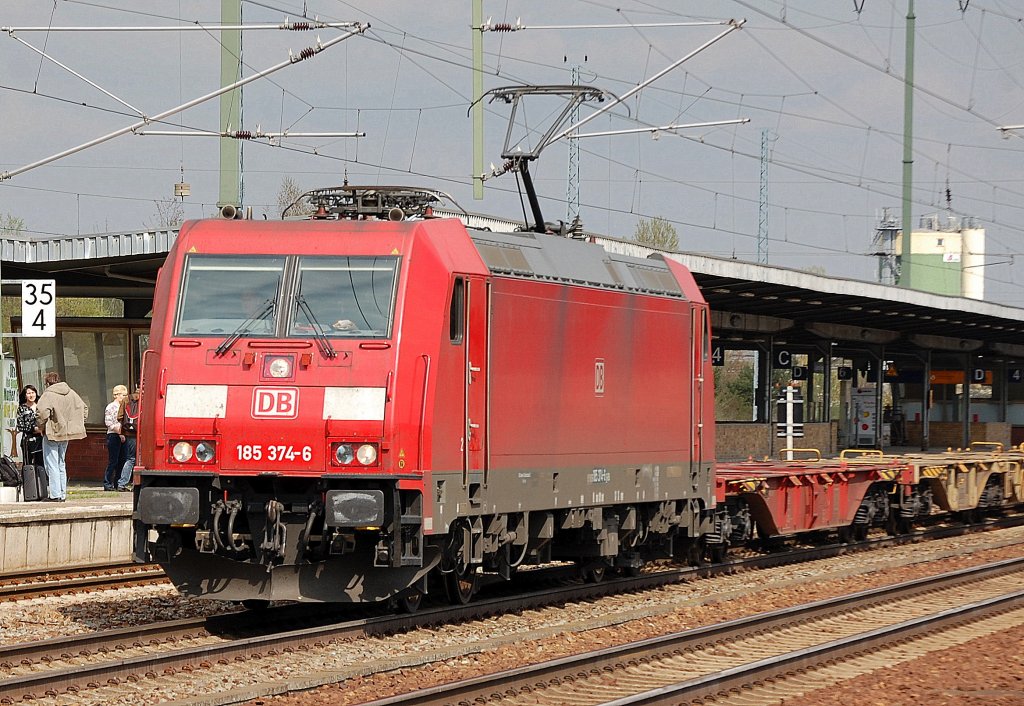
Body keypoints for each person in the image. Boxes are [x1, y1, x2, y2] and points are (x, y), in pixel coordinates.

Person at [35, 372, 88, 503]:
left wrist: (40, 427)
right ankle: (62, 493)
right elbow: (84, 409)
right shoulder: (71, 393)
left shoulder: (48, 394)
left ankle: (55, 494)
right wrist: (76, 424)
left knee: (51, 464)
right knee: (61, 463)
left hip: (52, 432)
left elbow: (41, 413)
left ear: (47, 383)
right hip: (66, 433)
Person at [103, 385, 128, 491]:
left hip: (124, 435)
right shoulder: (111, 407)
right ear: (117, 395)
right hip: (113, 435)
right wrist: (119, 432)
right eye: (123, 395)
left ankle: (118, 483)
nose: (125, 397)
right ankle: (107, 483)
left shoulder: (126, 406)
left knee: (123, 460)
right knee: (113, 460)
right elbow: (108, 422)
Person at [116, 385, 140, 492]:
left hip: (130, 433)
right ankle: (138, 484)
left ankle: (122, 483)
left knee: (130, 458)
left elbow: (119, 416)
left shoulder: (126, 399)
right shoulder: (147, 398)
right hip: (143, 433)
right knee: (141, 460)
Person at [16, 384, 44, 468]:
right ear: (25, 395)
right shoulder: (22, 408)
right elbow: (20, 426)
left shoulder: (41, 405)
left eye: (33, 392)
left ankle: (42, 481)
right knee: (28, 464)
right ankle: (29, 481)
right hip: (28, 440)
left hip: (42, 438)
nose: (31, 395)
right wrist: (34, 429)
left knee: (41, 464)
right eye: (28, 393)